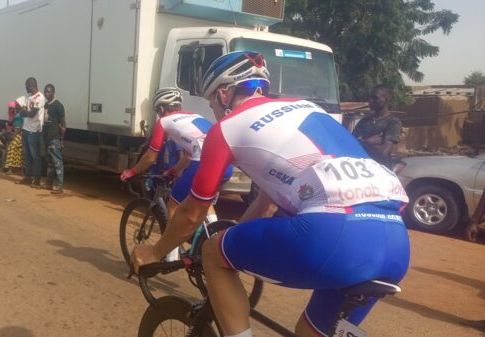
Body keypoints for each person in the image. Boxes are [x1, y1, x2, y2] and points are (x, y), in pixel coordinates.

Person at [131, 51, 411, 337]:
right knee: (309, 331)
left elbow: (192, 214)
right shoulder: (309, 108)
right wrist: (238, 238)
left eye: (211, 101)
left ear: (224, 94)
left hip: (332, 236)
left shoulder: (226, 129)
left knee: (213, 252)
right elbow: (267, 204)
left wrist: (155, 251)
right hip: (395, 244)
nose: (213, 109)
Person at [121, 87, 231, 223]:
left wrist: (132, 171)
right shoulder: (195, 116)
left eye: (157, 111)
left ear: (161, 109)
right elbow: (187, 156)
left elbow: (151, 157)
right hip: (227, 164)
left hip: (203, 164)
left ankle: (173, 245)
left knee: (173, 206)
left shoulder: (163, 121)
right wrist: (173, 171)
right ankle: (214, 230)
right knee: (203, 199)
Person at [352, 84, 403, 169]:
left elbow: (383, 152)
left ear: (387, 100)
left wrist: (361, 143)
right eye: (370, 98)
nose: (370, 101)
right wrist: (368, 142)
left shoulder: (393, 122)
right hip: (361, 168)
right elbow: (351, 144)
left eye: (375, 98)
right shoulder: (365, 120)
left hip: (380, 170)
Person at [18, 77, 46, 187]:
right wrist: (23, 112)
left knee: (36, 157)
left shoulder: (40, 98)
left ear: (30, 85)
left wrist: (23, 111)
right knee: (27, 155)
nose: (25, 88)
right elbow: (24, 112)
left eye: (26, 86)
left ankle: (37, 180)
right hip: (26, 129)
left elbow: (31, 114)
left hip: (34, 131)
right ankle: (28, 177)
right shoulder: (30, 97)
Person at [42, 84, 66, 194]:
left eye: (49, 92)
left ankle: (60, 185)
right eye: (46, 92)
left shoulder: (58, 105)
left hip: (54, 137)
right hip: (47, 136)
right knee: (50, 162)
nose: (47, 94)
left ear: (53, 92)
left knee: (57, 162)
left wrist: (62, 139)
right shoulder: (46, 105)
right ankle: (49, 183)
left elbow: (63, 124)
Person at [4, 101, 24, 175]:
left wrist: (15, 133)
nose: (16, 106)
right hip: (15, 132)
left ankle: (11, 168)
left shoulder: (22, 113)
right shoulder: (16, 113)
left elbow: (23, 124)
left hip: (19, 133)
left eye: (17, 104)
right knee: (18, 150)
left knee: (11, 148)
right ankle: (18, 169)